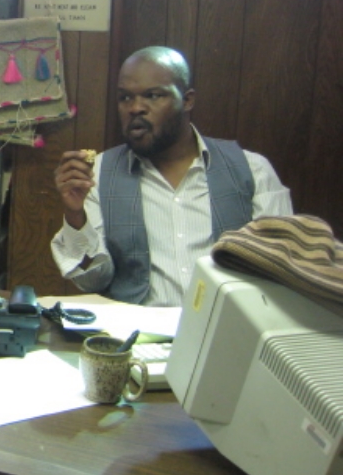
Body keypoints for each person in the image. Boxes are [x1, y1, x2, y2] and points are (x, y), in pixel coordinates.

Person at [51, 46, 292, 306]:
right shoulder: (97, 173)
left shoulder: (252, 170)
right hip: (136, 336)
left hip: (227, 331)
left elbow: (282, 270)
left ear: (187, 100)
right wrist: (76, 217)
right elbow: (93, 282)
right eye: (125, 98)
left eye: (152, 96)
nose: (135, 109)